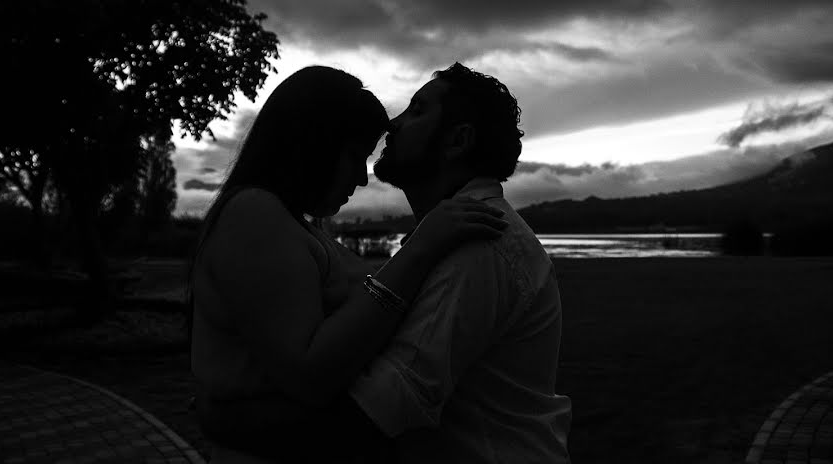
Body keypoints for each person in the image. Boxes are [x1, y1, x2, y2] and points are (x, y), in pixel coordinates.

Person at [188, 66, 509, 463]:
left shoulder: (299, 226)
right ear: (312, 146)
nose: (361, 178)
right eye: (355, 156)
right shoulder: (255, 213)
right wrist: (419, 248)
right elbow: (309, 374)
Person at [346, 62, 572, 463]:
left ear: (457, 141)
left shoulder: (478, 243)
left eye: (416, 111)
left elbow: (384, 405)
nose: (391, 124)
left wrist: (244, 424)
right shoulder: (449, 233)